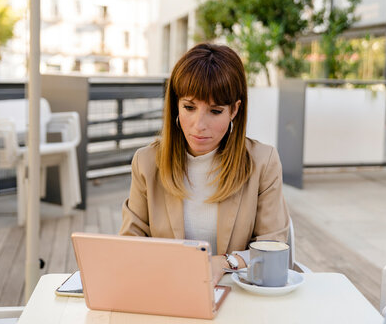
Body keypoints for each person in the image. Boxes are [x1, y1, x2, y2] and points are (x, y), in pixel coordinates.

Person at [119, 43, 289, 285]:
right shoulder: (146, 162)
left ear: (234, 110)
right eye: (189, 107)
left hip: (237, 296)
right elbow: (129, 244)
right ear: (176, 105)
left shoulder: (263, 162)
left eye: (215, 111)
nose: (199, 125)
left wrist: (225, 262)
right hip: (166, 289)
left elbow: (274, 248)